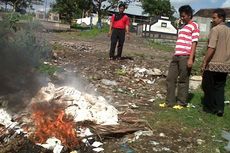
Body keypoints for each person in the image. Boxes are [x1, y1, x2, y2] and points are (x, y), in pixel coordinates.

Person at [166, 5, 200, 107]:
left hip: (186, 56)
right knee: (170, 78)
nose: (182, 18)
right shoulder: (182, 26)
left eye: (183, 16)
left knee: (183, 80)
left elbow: (194, 42)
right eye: (181, 16)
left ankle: (181, 102)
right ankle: (170, 102)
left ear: (189, 15)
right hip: (176, 55)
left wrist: (190, 58)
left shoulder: (194, 26)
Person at [201, 9, 230, 117]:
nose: (212, 20)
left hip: (213, 63)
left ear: (221, 18)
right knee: (220, 87)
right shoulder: (229, 30)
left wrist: (205, 61)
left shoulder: (215, 30)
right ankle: (219, 108)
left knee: (207, 86)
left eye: (214, 18)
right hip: (226, 65)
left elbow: (211, 47)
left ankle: (209, 108)